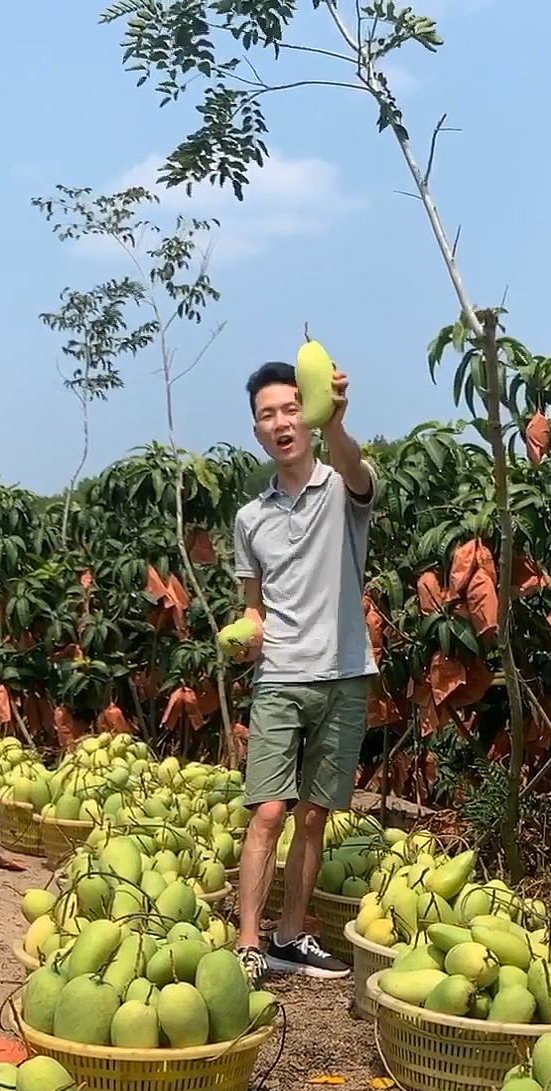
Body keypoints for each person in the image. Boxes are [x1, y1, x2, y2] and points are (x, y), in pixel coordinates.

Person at [230, 358, 377, 985]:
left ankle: (290, 936)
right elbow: (252, 607)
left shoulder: (344, 487)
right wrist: (247, 636)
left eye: (292, 409)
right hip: (280, 677)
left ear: (307, 414)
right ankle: (248, 942)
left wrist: (336, 420)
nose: (281, 423)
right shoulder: (250, 518)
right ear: (256, 430)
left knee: (314, 816)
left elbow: (355, 468)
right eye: (268, 415)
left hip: (344, 674)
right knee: (268, 811)